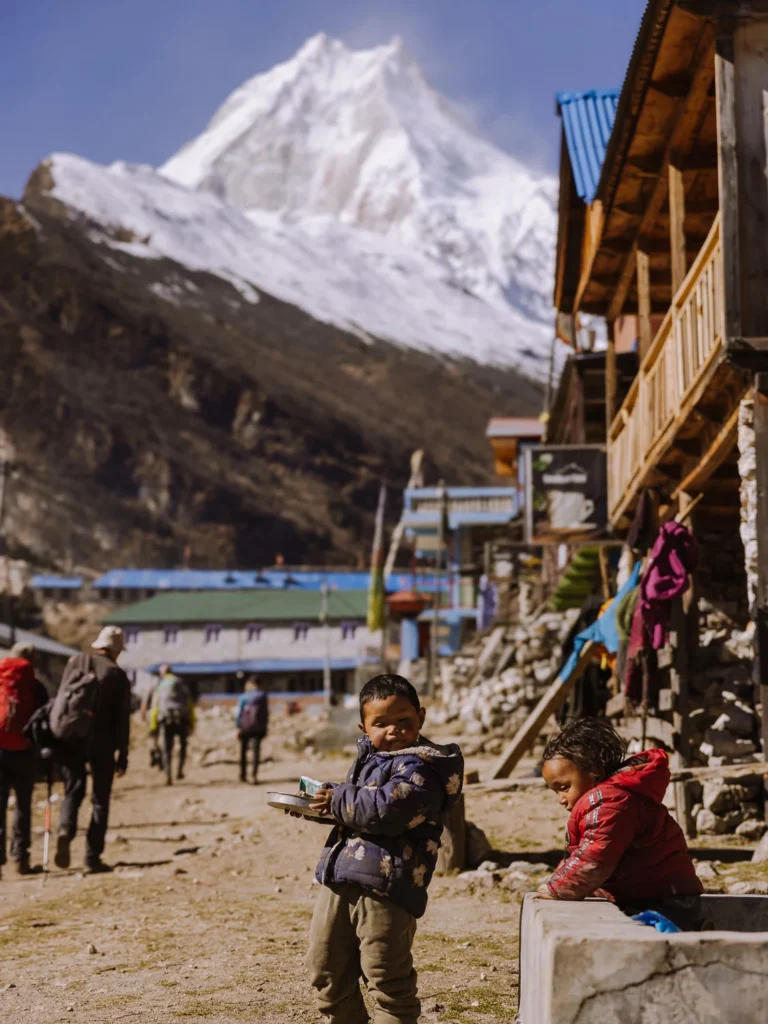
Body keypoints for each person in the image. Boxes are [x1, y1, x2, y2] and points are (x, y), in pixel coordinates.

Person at [306, 674, 463, 1024]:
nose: (393, 730)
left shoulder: (422, 766)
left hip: (389, 889)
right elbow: (363, 808)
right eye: (381, 723)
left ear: (421, 717)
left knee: (387, 981)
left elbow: (389, 808)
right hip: (341, 880)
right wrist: (325, 805)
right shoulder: (371, 761)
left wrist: (340, 799)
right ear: (364, 728)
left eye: (403, 721)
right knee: (325, 971)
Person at [537, 717, 703, 929]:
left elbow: (594, 857)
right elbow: (582, 854)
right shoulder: (607, 799)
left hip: (666, 902)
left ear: (594, 774)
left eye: (564, 787)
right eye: (556, 791)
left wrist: (559, 888)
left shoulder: (611, 803)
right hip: (649, 895)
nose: (561, 798)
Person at [54, 626, 131, 874]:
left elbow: (61, 700)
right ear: (116, 650)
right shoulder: (116, 674)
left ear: (98, 645)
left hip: (71, 738)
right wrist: (123, 754)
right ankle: (92, 857)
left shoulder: (75, 661)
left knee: (73, 790)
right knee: (100, 799)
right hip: (102, 744)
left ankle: (65, 828)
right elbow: (122, 720)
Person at [0, 643, 48, 877]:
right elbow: (44, 721)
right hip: (25, 751)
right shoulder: (35, 686)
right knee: (22, 805)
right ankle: (20, 859)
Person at [150, 665, 194, 785]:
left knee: (167, 748)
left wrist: (153, 726)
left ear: (163, 673)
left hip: (165, 719)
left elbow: (155, 707)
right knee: (183, 746)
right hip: (182, 719)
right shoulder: (181, 684)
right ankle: (179, 770)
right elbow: (189, 704)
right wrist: (192, 722)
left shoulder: (161, 686)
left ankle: (167, 774)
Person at [235, 677, 268, 784]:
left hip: (245, 727)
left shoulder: (245, 696)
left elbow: (239, 712)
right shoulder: (263, 696)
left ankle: (243, 775)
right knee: (256, 752)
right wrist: (264, 727)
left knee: (243, 751)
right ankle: (254, 775)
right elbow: (265, 713)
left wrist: (238, 726)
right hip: (258, 728)